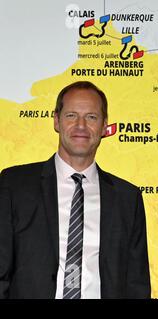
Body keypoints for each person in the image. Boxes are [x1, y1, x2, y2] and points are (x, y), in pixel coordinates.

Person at [0, 81, 150, 299]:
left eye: (91, 117)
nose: (81, 125)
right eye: (71, 115)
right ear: (56, 121)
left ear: (104, 126)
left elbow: (136, 285)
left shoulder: (128, 199)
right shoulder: (14, 185)